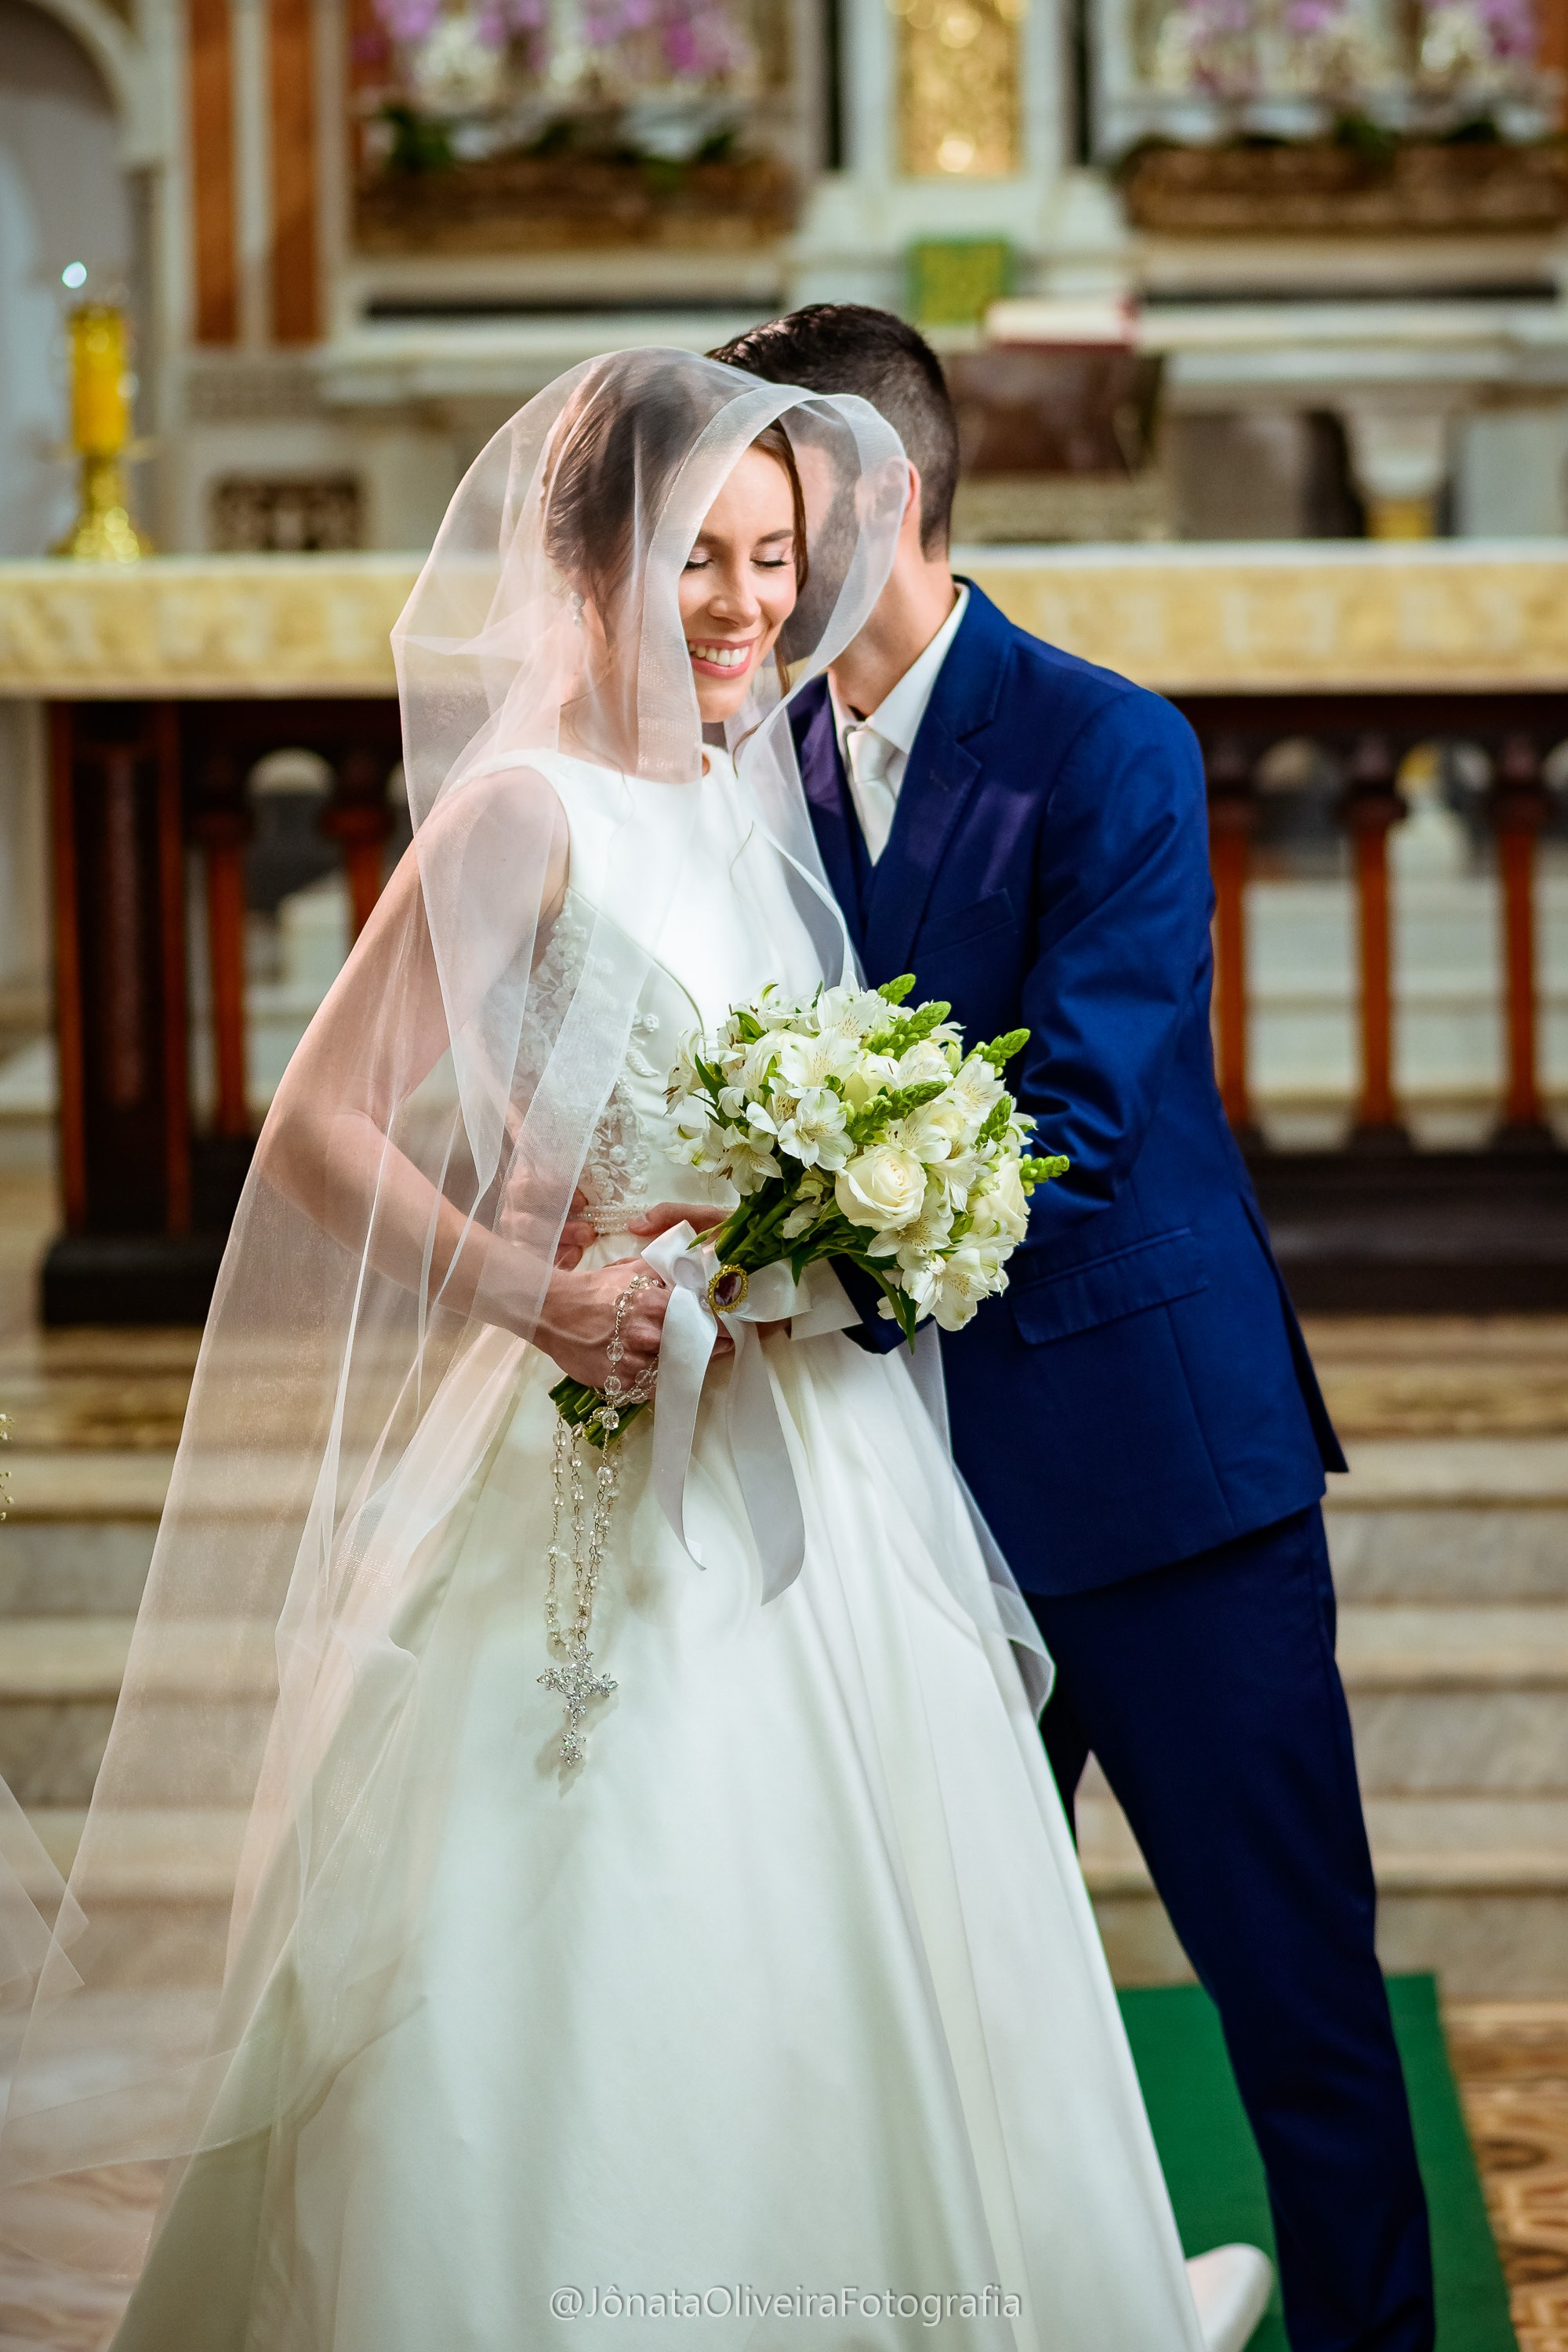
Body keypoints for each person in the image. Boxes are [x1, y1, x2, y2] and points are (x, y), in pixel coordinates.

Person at [0, 351, 1232, 2352]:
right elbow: (317, 1126)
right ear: (589, 561)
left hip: (819, 1449)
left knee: (847, 1924)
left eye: (773, 556)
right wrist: (530, 1290)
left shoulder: (758, 801)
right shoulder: (524, 810)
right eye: (696, 559)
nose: (745, 603)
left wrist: (866, 1217)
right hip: (597, 1443)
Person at [710, 305, 1436, 2352]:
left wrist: (784, 1262)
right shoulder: (751, 772)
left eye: (769, 505)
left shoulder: (1110, 745)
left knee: (1293, 1995)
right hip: (901, 1512)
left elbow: (1086, 1125)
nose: (737, 555)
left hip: (1155, 1478)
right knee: (935, 2012)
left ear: (877, 499)